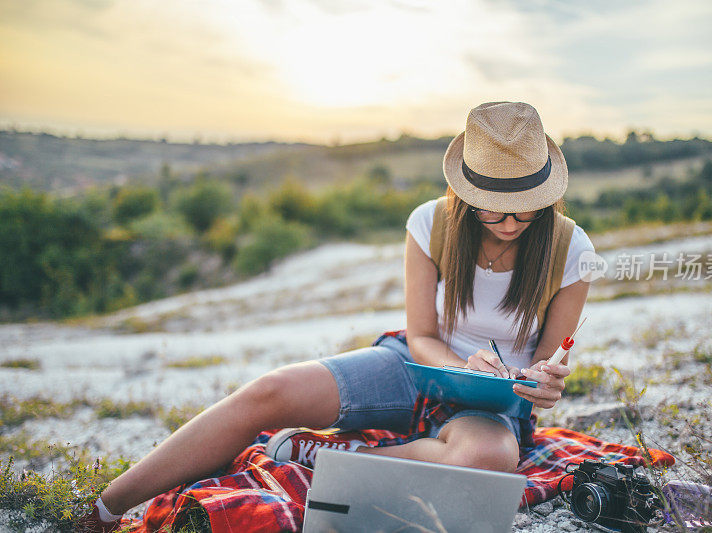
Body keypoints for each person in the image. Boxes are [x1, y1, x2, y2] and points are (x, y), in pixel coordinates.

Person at [79, 101, 594, 532]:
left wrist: (542, 384)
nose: (508, 222)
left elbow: (548, 362)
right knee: (271, 391)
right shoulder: (430, 223)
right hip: (415, 366)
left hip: (491, 400)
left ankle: (325, 458)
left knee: (489, 461)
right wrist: (457, 366)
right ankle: (106, 507)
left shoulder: (570, 248)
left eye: (524, 208)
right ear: (466, 195)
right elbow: (420, 335)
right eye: (491, 208)